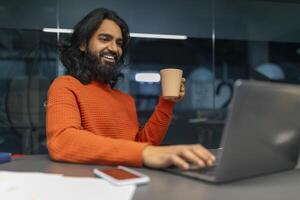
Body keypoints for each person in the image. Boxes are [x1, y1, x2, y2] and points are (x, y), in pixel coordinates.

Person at [46, 8, 215, 170]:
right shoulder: (65, 86)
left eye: (119, 43)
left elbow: (140, 146)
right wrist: (145, 152)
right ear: (83, 44)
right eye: (104, 39)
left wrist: (167, 103)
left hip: (129, 181)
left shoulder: (125, 99)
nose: (114, 48)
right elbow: (62, 141)